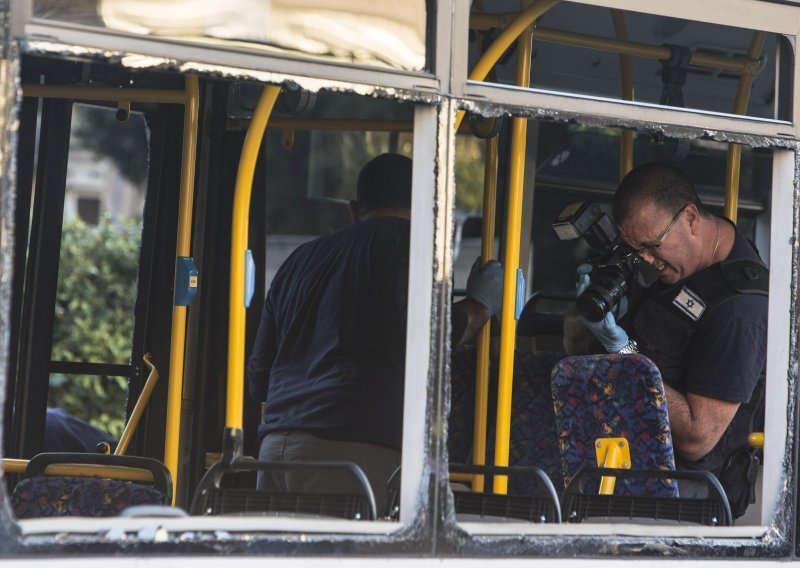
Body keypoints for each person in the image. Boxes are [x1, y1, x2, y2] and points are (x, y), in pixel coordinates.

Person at [246, 153, 503, 509]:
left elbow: (259, 378)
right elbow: (433, 337)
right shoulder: (414, 251)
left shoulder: (299, 260)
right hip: (359, 449)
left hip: (276, 448)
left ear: (353, 209)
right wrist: (478, 306)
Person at [572, 162, 767, 516]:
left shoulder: (740, 310)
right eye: (636, 251)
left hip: (681, 500)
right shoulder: (681, 265)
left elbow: (697, 437)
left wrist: (626, 357)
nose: (647, 261)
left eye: (652, 246)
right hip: (618, 464)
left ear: (691, 218)